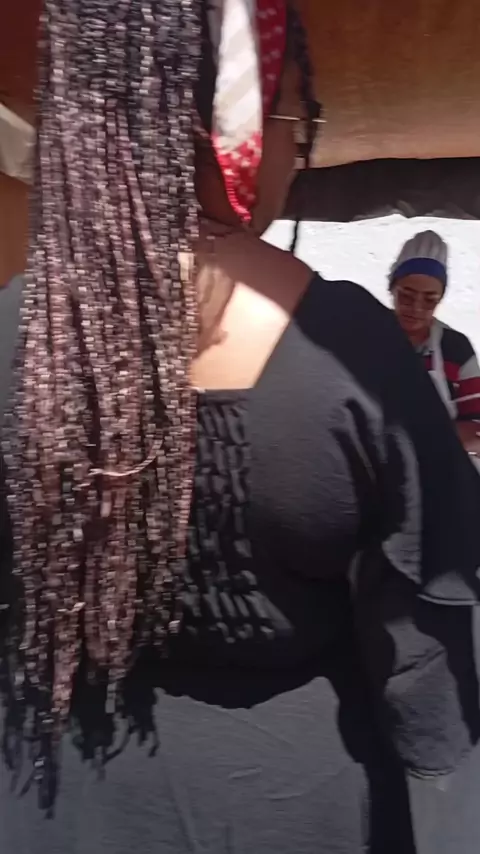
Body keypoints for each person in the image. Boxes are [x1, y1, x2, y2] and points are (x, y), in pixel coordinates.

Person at [0, 2, 480, 853]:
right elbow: (426, 636)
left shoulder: (13, 326)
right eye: (300, 119)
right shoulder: (346, 347)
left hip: (46, 798)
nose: (299, 152)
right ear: (233, 125)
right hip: (286, 810)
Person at [390, 230, 480, 460]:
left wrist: (420, 441)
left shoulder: (456, 348)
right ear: (392, 289)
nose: (416, 308)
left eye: (429, 300)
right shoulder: (365, 337)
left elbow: (476, 426)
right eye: (407, 296)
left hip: (437, 466)